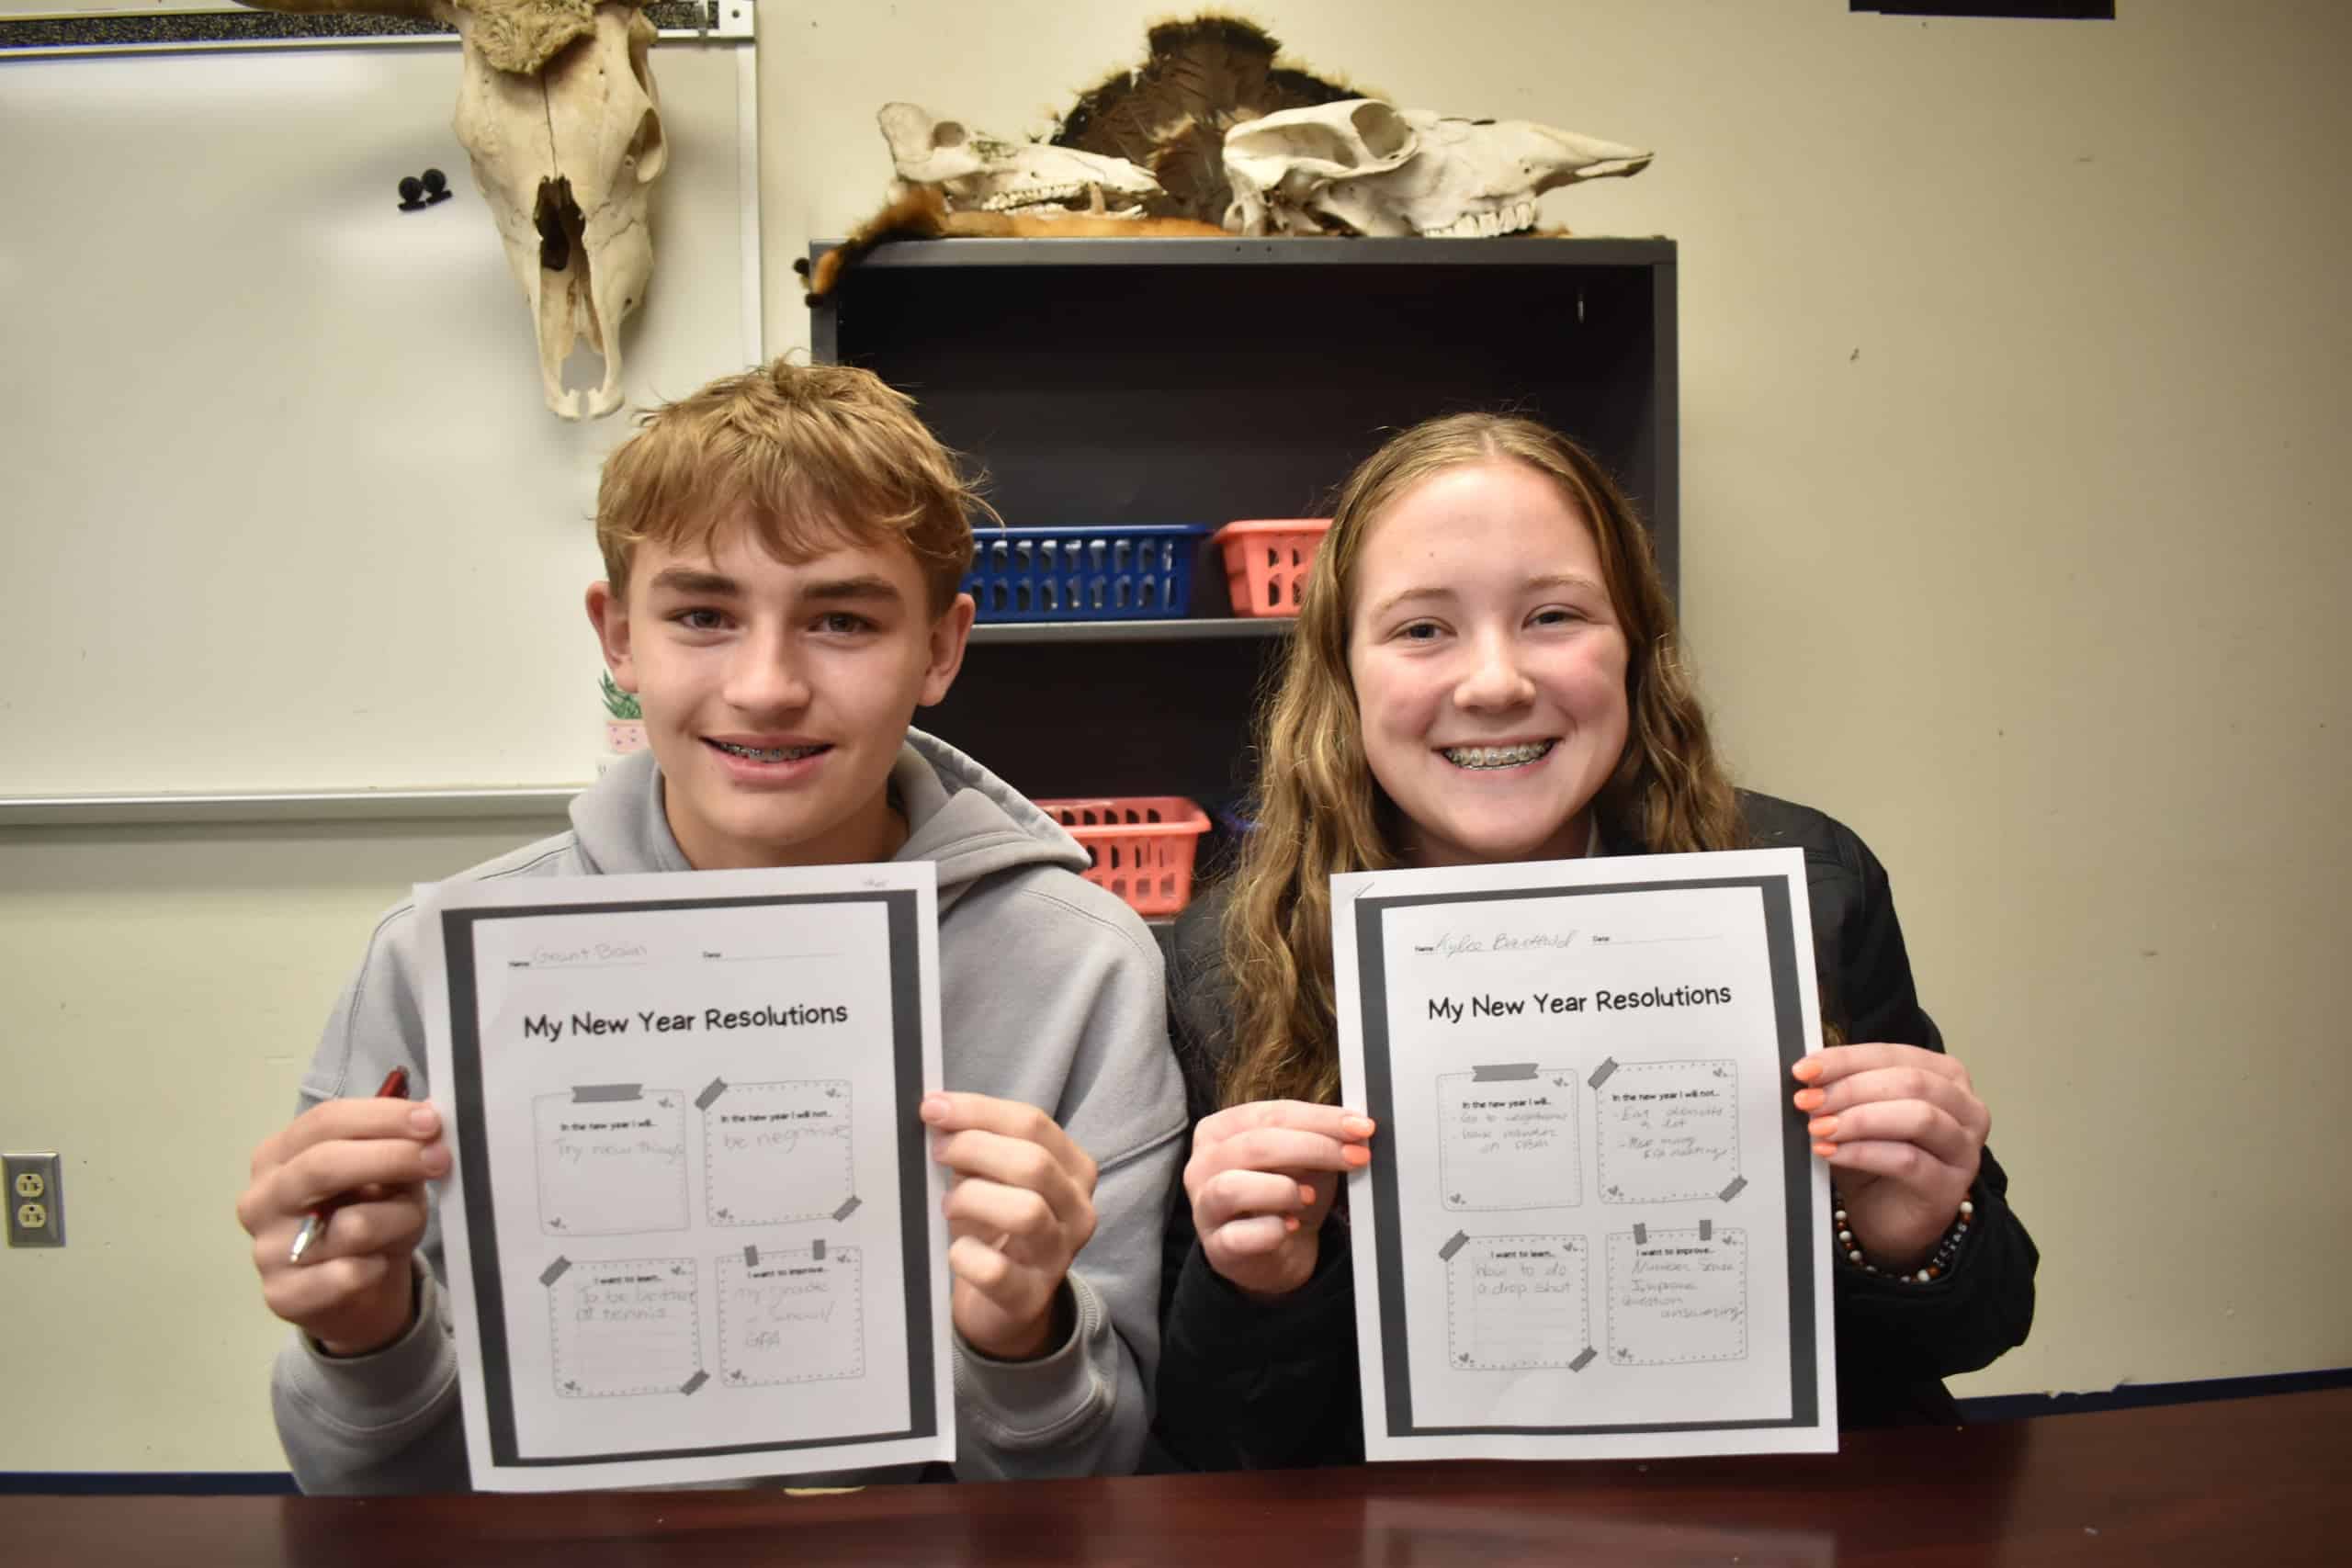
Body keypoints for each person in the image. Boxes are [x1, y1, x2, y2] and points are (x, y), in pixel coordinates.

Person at [235, 359, 1188, 1492]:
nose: (767, 685)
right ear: (618, 639)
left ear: (939, 648)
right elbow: (368, 1490)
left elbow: (1101, 1468)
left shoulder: (1080, 966)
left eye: (841, 618)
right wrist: (362, 1338)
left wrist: (1022, 1339)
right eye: (701, 615)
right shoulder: (437, 964)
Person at [1151, 412, 2037, 1471]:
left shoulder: (1808, 889)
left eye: (1554, 615)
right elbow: (1206, 1441)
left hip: (1760, 1513)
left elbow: (1982, 1328)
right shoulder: (1226, 963)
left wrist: (1909, 1235)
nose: (1494, 684)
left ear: (1636, 646)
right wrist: (1253, 1283)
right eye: (1422, 629)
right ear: (1343, 675)